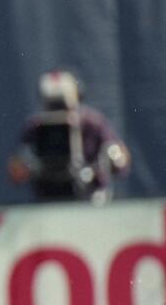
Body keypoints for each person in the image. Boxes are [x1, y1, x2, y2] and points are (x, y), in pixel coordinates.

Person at [8, 70, 130, 204]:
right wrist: (28, 166)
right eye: (53, 107)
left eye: (63, 106)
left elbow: (120, 161)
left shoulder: (92, 123)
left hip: (91, 199)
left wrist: (108, 162)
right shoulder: (34, 128)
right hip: (48, 201)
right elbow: (17, 171)